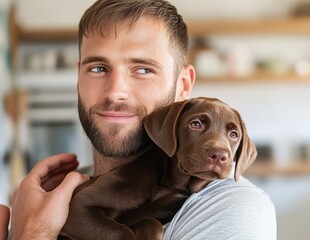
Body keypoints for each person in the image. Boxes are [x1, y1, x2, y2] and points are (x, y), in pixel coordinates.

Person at [4, 0, 277, 239]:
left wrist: (32, 234)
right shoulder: (56, 195)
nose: (115, 92)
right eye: (98, 68)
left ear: (183, 85)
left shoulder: (232, 208)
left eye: (143, 69)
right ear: (78, 78)